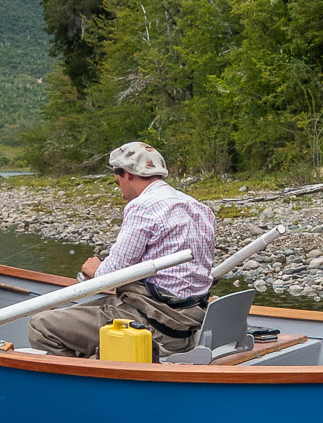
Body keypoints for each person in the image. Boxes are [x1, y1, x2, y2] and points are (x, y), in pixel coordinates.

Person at [26, 141, 217, 358]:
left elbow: (108, 277)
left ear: (127, 174)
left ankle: (92, 382)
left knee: (41, 325)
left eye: (118, 183)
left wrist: (95, 269)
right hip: (188, 322)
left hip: (155, 324)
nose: (122, 195)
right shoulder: (199, 207)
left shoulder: (142, 207)